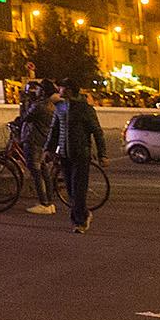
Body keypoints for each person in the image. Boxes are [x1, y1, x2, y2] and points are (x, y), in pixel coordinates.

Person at [48, 81, 106, 234]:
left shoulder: (85, 109)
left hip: (80, 153)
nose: (59, 89)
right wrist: (49, 149)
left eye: (62, 87)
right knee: (70, 190)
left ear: (69, 90)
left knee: (78, 189)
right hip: (64, 155)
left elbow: (97, 132)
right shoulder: (60, 108)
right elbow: (54, 130)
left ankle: (79, 222)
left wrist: (102, 154)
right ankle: (84, 214)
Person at [19, 78, 62, 214]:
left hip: (33, 140)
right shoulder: (51, 105)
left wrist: (24, 101)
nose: (35, 91)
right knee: (44, 172)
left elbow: (25, 117)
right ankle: (49, 202)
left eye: (38, 89)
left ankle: (44, 203)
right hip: (42, 141)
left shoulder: (40, 106)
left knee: (36, 172)